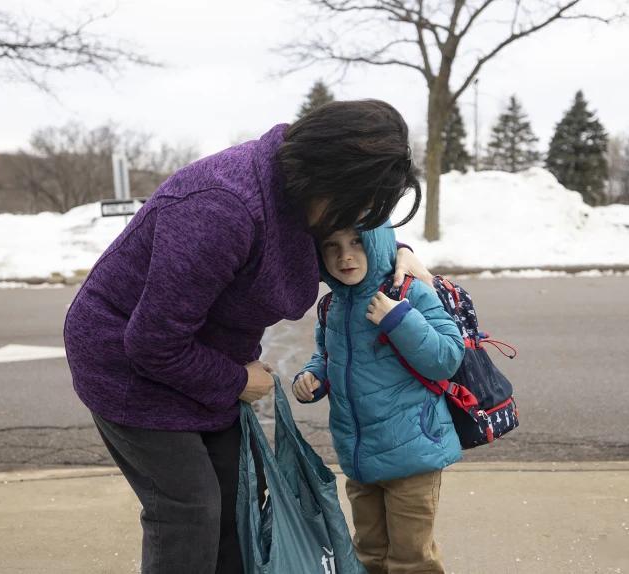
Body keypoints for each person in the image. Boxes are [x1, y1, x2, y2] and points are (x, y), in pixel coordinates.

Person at [63, 99, 433, 574]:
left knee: (237, 500)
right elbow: (153, 342)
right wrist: (237, 380)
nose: (359, 215)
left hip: (200, 361)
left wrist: (398, 254)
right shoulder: (223, 208)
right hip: (127, 364)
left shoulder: (304, 199)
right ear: (328, 177)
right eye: (359, 202)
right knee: (190, 510)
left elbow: (349, 246)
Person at [292, 223, 464, 574]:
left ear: (378, 243)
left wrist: (398, 319)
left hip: (413, 455)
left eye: (357, 241)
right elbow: (327, 355)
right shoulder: (332, 306)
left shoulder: (409, 294)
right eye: (332, 245)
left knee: (411, 559)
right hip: (360, 457)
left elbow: (446, 357)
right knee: (368, 554)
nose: (346, 255)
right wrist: (312, 377)